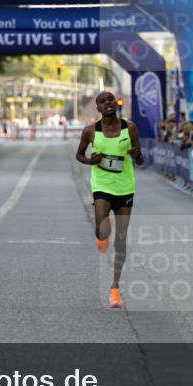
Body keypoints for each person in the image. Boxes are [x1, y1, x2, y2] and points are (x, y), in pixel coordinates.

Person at [75, 91, 143, 309]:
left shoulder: (130, 128)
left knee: (121, 241)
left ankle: (115, 289)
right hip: (102, 186)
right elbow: (79, 155)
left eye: (110, 100)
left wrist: (135, 155)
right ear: (98, 108)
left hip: (125, 187)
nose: (108, 104)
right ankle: (104, 229)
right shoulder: (90, 131)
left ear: (116, 103)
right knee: (102, 232)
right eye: (103, 101)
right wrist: (89, 160)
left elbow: (140, 158)